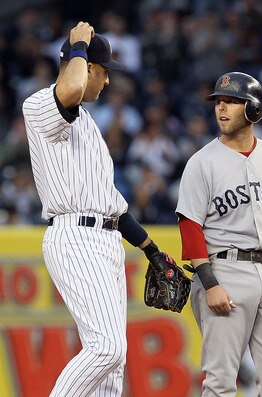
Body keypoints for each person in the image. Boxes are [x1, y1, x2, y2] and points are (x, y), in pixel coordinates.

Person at [22, 21, 176, 397]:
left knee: (112, 368)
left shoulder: (88, 125)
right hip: (74, 236)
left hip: (106, 240)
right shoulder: (40, 104)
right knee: (106, 347)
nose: (107, 82)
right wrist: (78, 44)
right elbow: (71, 88)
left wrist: (151, 250)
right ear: (86, 67)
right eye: (103, 72)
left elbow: (114, 206)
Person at [176, 71, 262, 396]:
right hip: (224, 270)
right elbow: (190, 226)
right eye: (218, 102)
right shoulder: (201, 162)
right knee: (221, 381)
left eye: (232, 102)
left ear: (253, 109)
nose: (221, 108)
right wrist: (210, 284)